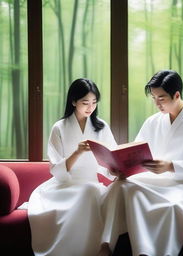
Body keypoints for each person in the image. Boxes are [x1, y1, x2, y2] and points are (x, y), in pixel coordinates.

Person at [98, 70, 183, 256]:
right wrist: (122, 168)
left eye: (161, 98)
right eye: (153, 98)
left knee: (158, 202)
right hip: (152, 180)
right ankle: (105, 245)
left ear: (177, 95)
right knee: (120, 185)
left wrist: (170, 166)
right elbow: (134, 153)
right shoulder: (152, 122)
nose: (157, 103)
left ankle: (146, 251)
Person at [27, 78, 117, 256]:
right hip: (64, 186)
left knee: (92, 191)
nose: (90, 107)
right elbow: (56, 170)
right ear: (74, 101)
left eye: (93, 102)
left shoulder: (101, 127)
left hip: (90, 183)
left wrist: (115, 169)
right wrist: (77, 152)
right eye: (85, 102)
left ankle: (99, 249)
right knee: (89, 192)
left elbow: (110, 160)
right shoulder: (59, 127)